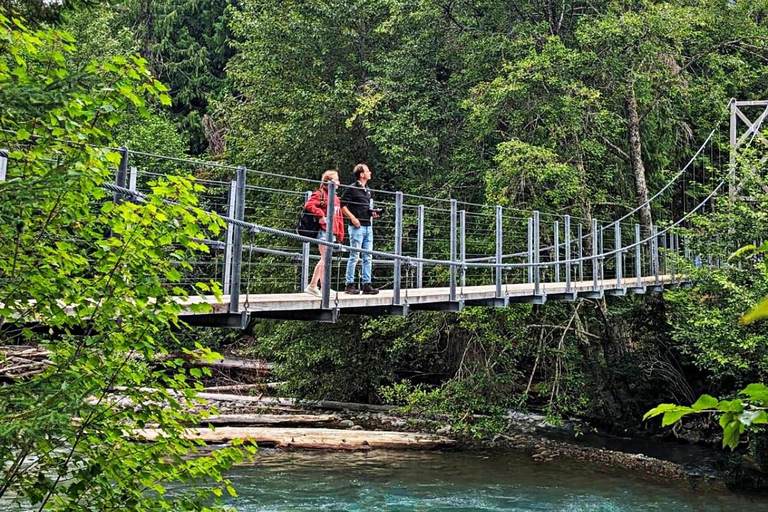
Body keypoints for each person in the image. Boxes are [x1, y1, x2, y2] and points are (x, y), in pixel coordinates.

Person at [304, 170, 345, 297]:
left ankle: (315, 286)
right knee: (325, 258)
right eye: (336, 180)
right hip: (323, 231)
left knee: (324, 259)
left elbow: (338, 217)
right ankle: (320, 287)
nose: (339, 182)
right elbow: (309, 205)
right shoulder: (320, 193)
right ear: (329, 181)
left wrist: (340, 233)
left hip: (332, 231)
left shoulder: (335, 198)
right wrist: (321, 215)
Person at [341, 163, 379, 294]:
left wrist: (372, 213)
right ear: (361, 174)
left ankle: (366, 284)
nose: (370, 173)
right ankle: (349, 284)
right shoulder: (352, 188)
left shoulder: (368, 190)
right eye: (367, 171)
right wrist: (352, 218)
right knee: (355, 255)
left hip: (368, 226)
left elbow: (365, 208)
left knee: (368, 256)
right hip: (357, 227)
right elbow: (342, 205)